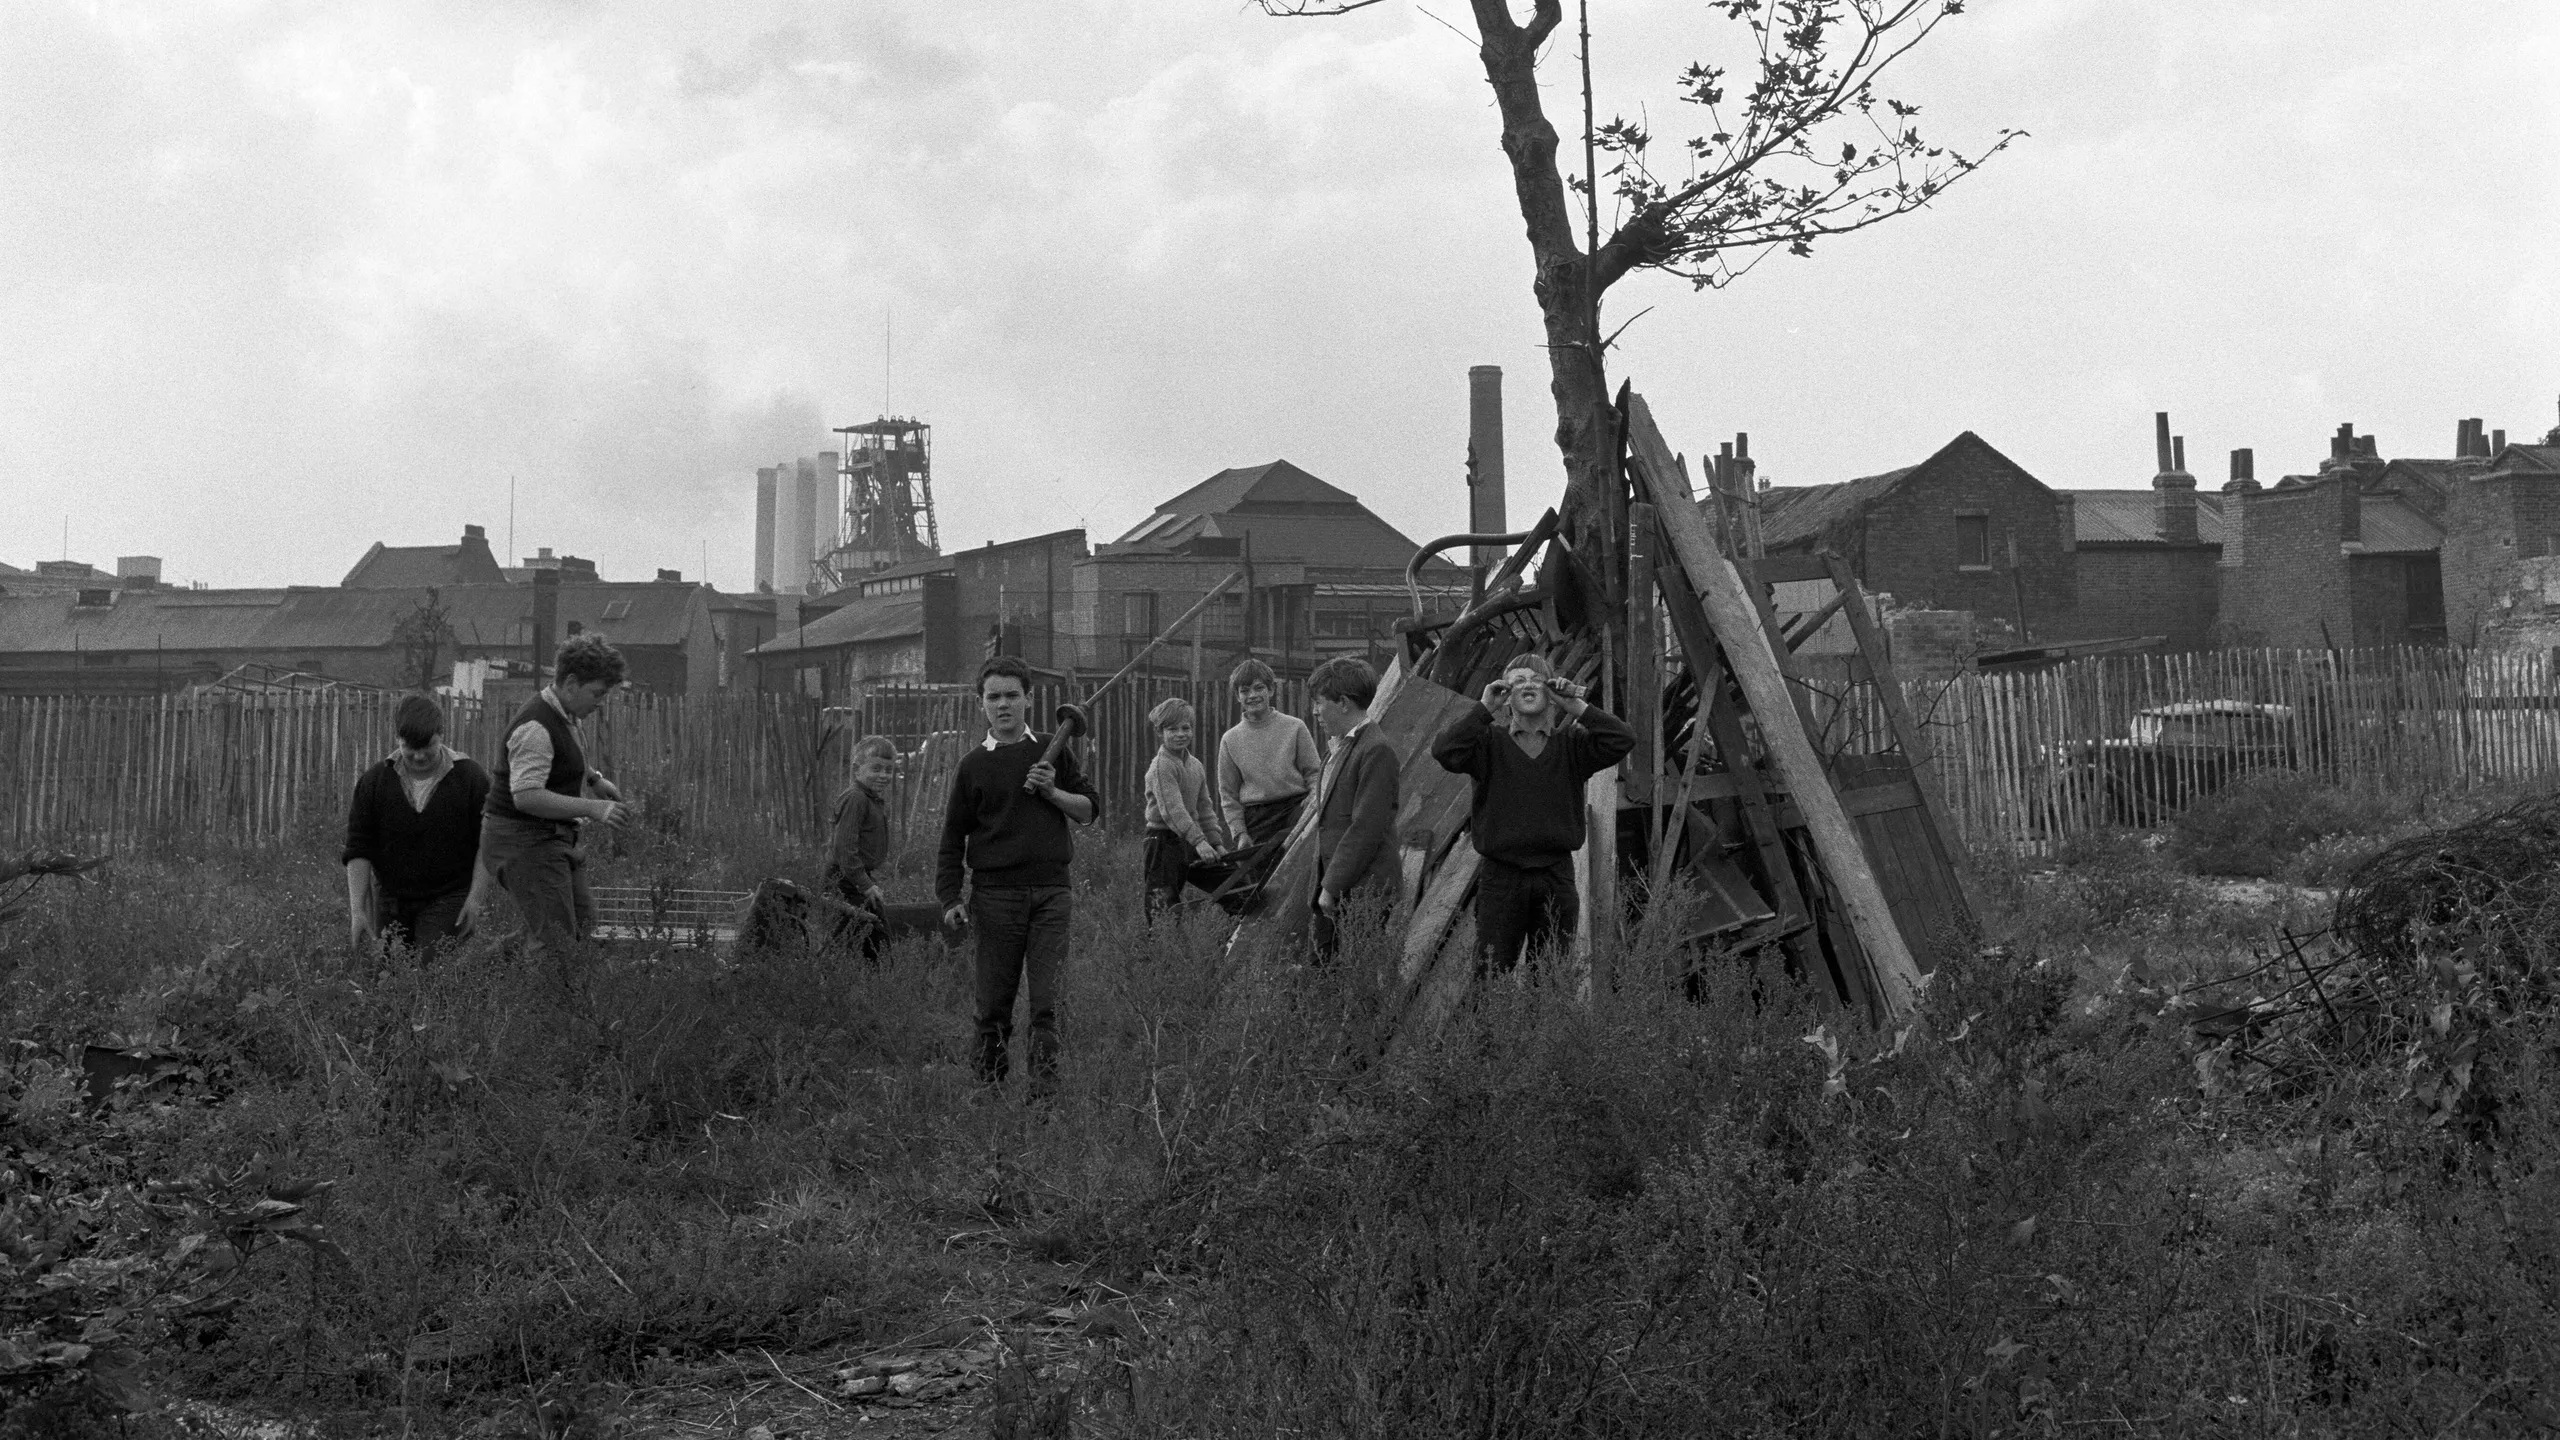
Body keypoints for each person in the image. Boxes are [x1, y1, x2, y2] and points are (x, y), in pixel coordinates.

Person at [936, 656, 1101, 1087]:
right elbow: (953, 838)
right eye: (993, 697)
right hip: (995, 898)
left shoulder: (1053, 748)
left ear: (1029, 698)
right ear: (981, 704)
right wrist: (950, 898)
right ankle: (989, 1098)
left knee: (1049, 1003)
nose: (1003, 704)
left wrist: (1051, 791)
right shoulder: (973, 765)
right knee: (993, 1005)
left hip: (1051, 895)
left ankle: (1043, 1099)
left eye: (1012, 695)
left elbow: (1089, 811)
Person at [1431, 652, 1636, 977]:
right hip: (1501, 878)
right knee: (1490, 977)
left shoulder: (1572, 745)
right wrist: (1485, 709)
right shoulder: (1487, 744)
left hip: (1556, 876)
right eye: (1518, 681)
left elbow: (1623, 739)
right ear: (1506, 694)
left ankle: (1545, 1030)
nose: (1527, 686)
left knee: (1552, 978)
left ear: (1550, 691)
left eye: (1535, 680)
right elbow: (1444, 751)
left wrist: (1576, 706)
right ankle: (1492, 1031)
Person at [479, 633, 633, 957]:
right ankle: (536, 1000)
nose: (600, 702)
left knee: (580, 922)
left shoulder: (564, 714)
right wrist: (593, 808)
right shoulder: (535, 726)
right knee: (556, 940)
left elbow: (566, 754)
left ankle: (476, 976)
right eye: (597, 693)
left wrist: (593, 779)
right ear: (572, 683)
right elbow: (527, 796)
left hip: (548, 837)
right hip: (521, 840)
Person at [341, 693, 495, 961]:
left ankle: (504, 954)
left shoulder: (470, 778)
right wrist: (358, 912)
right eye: (410, 746)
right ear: (398, 739)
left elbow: (489, 841)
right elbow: (358, 848)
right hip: (391, 899)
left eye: (428, 745)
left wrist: (475, 899)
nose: (420, 755)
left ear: (441, 735)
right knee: (389, 977)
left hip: (448, 896)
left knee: (429, 971)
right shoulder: (375, 783)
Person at [1307, 655, 1400, 962]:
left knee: (1360, 987)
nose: (1315, 711)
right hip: (1341, 889)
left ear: (1343, 703)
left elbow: (1365, 829)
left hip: (1363, 891)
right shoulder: (1340, 746)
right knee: (1329, 977)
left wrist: (1331, 886)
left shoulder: (1375, 750)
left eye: (1320, 702)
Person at [1141, 697, 1233, 919]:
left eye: (1186, 728)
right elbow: (1173, 811)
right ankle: (1162, 950)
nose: (1180, 734)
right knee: (1162, 904)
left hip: (1192, 838)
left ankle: (1235, 941)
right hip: (1163, 842)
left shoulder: (1195, 765)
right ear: (1160, 733)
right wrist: (1200, 842)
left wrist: (1215, 843)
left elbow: (1204, 808)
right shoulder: (1162, 766)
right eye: (1172, 729)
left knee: (1234, 884)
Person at [1217, 658, 1323, 847]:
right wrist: (1239, 833)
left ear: (1271, 690)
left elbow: (1314, 773)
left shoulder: (1295, 727)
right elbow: (1228, 794)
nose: (1252, 695)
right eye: (1245, 691)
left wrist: (1313, 799)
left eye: (1259, 688)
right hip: (1258, 819)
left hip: (1295, 809)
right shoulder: (1230, 739)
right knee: (1263, 873)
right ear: (1237, 696)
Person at [823, 735, 899, 959]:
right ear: (857, 769)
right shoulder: (856, 798)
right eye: (876, 768)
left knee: (866, 943)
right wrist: (865, 884)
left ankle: (868, 986)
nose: (883, 775)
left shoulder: (869, 799)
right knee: (871, 942)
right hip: (844, 882)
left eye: (888, 770)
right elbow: (844, 848)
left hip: (855, 879)